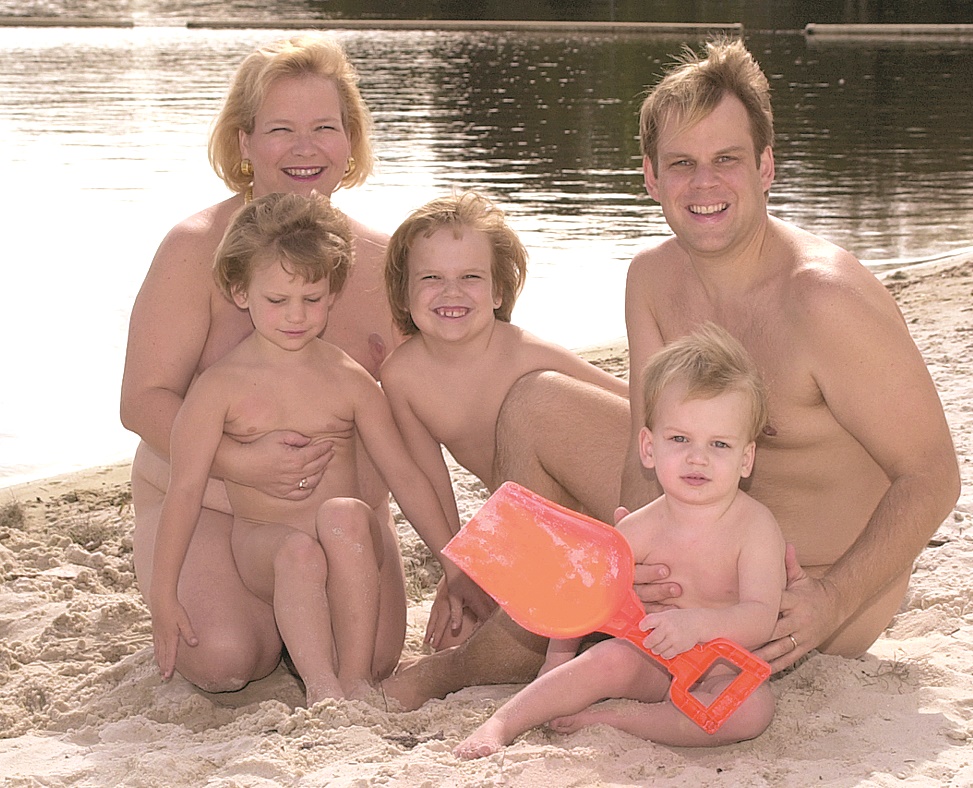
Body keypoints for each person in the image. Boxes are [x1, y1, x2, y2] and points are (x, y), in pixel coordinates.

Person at [622, 38, 960, 674]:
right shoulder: (650, 279)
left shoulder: (822, 301)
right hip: (697, 543)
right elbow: (636, 448)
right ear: (651, 177)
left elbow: (935, 474)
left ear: (766, 166)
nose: (704, 183)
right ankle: (453, 625)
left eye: (727, 158)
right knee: (534, 405)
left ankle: (419, 688)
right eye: (682, 163)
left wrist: (831, 601)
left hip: (807, 593)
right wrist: (636, 572)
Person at [121, 34, 403, 693]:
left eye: (324, 128)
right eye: (281, 129)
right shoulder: (194, 249)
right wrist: (237, 462)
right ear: (244, 142)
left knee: (376, 660)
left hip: (338, 512)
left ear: (350, 141)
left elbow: (432, 402)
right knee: (222, 660)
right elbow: (143, 399)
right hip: (210, 501)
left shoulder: (388, 261)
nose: (305, 149)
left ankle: (293, 627)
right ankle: (247, 617)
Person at [150, 192, 491, 705]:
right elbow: (184, 491)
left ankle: (354, 677)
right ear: (241, 292)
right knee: (298, 551)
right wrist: (163, 594)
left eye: (311, 300)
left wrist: (455, 563)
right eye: (277, 300)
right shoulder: (219, 388)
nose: (296, 316)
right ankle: (323, 688)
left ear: (332, 294)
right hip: (266, 548)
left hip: (348, 546)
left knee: (346, 516)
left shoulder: (348, 380)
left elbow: (405, 476)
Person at [455, 324, 785, 758]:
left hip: (722, 669)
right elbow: (583, 594)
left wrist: (697, 626)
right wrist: (557, 664)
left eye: (719, 444)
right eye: (680, 439)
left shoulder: (756, 528)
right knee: (604, 661)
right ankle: (502, 723)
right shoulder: (643, 527)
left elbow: (761, 617)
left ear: (746, 459)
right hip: (649, 662)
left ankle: (618, 719)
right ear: (649, 448)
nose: (697, 457)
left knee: (754, 711)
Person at [378, 191, 629, 706]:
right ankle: (567, 630)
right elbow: (426, 479)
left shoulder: (521, 352)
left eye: (470, 276)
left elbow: (621, 403)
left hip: (588, 509)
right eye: (431, 278)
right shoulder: (402, 375)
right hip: (526, 522)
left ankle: (564, 621)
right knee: (453, 630)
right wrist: (456, 568)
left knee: (499, 635)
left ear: (498, 290)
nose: (452, 292)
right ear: (403, 295)